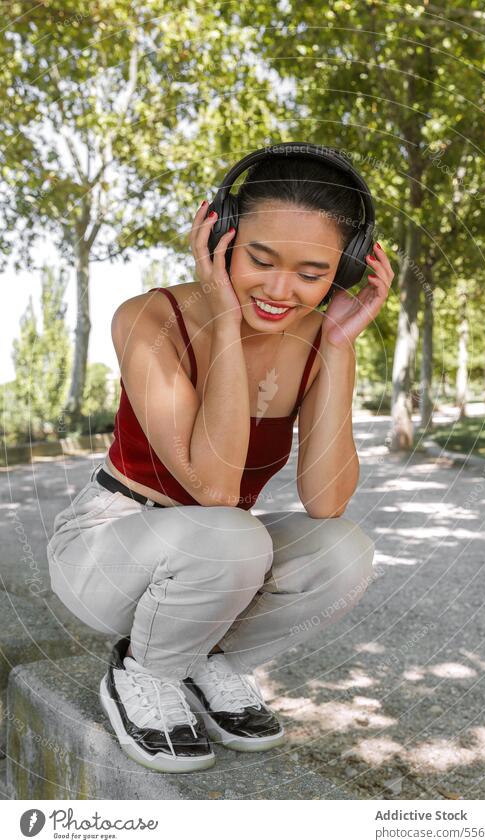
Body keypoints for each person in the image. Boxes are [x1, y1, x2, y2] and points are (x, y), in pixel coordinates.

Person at [46, 148, 394, 774]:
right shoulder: (150, 318)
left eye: (312, 273)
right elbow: (212, 485)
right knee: (231, 533)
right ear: (219, 234)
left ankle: (212, 661)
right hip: (107, 551)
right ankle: (142, 675)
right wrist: (228, 323)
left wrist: (339, 347)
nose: (280, 290)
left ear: (340, 273)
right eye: (260, 259)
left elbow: (327, 500)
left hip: (218, 559)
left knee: (345, 547)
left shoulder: (318, 337)